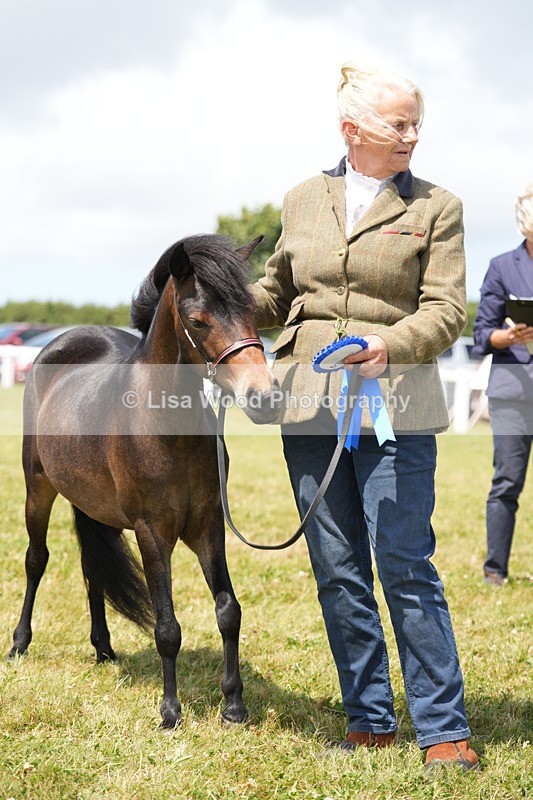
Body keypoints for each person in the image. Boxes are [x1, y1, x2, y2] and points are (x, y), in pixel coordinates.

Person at [251, 61, 478, 772]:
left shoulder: (437, 207)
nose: (412, 135)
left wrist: (392, 345)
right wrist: (210, 298)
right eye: (397, 124)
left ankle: (442, 730)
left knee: (404, 562)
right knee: (337, 566)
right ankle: (369, 717)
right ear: (352, 129)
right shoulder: (298, 200)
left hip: (397, 409)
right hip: (308, 407)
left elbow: (446, 310)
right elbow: (273, 292)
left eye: (415, 123)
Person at [473, 184, 533, 587]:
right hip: (514, 392)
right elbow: (481, 335)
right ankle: (495, 570)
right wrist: (505, 338)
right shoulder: (501, 266)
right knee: (507, 481)